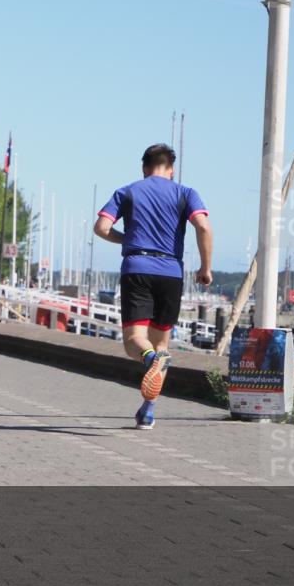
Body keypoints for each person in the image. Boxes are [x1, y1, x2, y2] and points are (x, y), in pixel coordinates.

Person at [94, 143, 212, 430]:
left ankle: (149, 360)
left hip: (137, 268)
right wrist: (206, 268)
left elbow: (101, 228)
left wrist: (129, 240)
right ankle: (147, 410)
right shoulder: (186, 193)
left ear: (144, 168)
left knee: (135, 340)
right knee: (162, 344)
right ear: (170, 170)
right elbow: (203, 227)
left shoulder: (129, 191)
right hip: (171, 271)